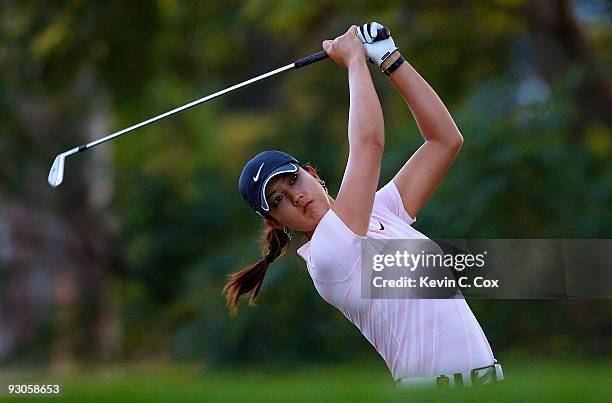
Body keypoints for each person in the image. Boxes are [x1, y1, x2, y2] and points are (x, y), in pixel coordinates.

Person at [225, 22, 503, 388]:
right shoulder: (326, 256)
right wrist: (355, 59)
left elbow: (444, 140)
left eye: (293, 180)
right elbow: (369, 145)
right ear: (276, 223)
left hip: (487, 383)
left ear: (311, 173)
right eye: (278, 200)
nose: (296, 196)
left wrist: (389, 58)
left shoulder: (381, 210)